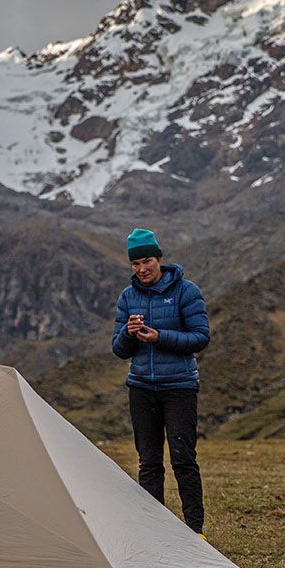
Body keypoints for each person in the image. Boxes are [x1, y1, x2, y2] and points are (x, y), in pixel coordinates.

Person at [112, 228, 210, 535]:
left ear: (160, 259)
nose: (142, 269)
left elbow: (200, 337)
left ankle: (195, 533)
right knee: (149, 463)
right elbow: (118, 349)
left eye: (147, 261)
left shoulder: (186, 291)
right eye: (135, 264)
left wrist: (160, 337)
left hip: (179, 387)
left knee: (183, 459)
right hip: (141, 388)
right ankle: (155, 533)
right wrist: (128, 334)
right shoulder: (128, 297)